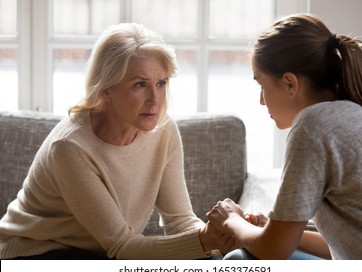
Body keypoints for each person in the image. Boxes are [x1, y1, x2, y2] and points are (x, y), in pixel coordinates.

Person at [0, 23, 235, 259]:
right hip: (36, 253)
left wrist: (216, 240)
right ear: (105, 90)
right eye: (140, 84)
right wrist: (203, 240)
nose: (155, 100)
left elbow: (180, 220)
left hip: (101, 254)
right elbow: (122, 247)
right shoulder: (70, 147)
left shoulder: (164, 130)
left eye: (161, 83)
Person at [206, 13, 362, 260]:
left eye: (261, 84)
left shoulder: (314, 124)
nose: (261, 100)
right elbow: (347, 245)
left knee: (239, 261)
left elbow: (274, 251)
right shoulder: (354, 113)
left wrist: (231, 220)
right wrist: (271, 230)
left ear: (290, 83)